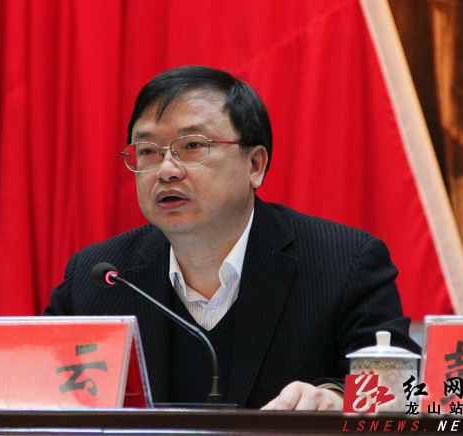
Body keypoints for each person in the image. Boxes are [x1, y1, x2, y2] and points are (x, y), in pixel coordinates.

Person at [45, 65, 420, 409]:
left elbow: (400, 393)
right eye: (147, 151)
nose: (166, 170)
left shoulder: (344, 263)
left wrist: (335, 399)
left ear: (255, 165)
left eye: (193, 146)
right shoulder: (97, 279)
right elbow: (41, 393)